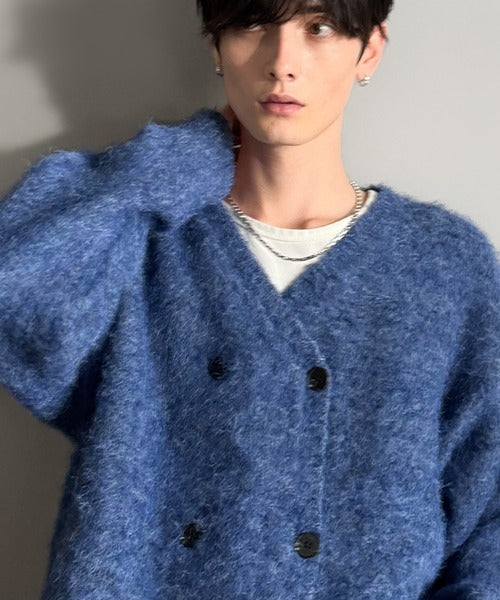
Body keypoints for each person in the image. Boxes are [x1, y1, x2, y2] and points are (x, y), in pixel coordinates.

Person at [0, 1, 498, 598]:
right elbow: (13, 288)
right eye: (253, 24)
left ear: (369, 49)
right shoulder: (140, 244)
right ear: (216, 45)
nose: (282, 61)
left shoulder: (441, 265)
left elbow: (490, 512)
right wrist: (182, 158)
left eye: (319, 27)